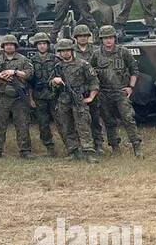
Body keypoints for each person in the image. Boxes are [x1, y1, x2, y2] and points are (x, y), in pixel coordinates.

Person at [95, 25, 144, 157]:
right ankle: (115, 147)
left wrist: (131, 87)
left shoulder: (123, 52)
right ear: (101, 40)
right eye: (105, 38)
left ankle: (136, 146)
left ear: (114, 38)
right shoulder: (96, 54)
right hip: (104, 92)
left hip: (120, 91)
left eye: (110, 37)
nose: (108, 41)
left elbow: (134, 70)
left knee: (128, 118)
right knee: (109, 121)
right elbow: (91, 73)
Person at [49, 37, 99, 162]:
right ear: (59, 52)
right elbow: (49, 83)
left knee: (83, 126)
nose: (65, 53)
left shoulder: (83, 64)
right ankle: (73, 151)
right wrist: (54, 81)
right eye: (63, 51)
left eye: (68, 50)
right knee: (67, 126)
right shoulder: (57, 67)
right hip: (63, 100)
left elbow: (94, 81)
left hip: (79, 98)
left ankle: (88, 152)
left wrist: (91, 97)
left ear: (72, 51)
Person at [0, 35, 35, 158]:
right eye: (7, 44)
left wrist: (14, 72)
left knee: (22, 123)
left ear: (15, 46)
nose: (9, 46)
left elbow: (30, 74)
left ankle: (25, 150)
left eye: (11, 44)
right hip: (2, 96)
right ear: (3, 46)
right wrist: (0, 75)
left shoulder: (23, 60)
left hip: (18, 97)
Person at [71, 24, 107, 151]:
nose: (82, 38)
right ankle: (81, 145)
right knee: (78, 119)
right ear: (76, 37)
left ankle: (98, 143)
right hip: (76, 89)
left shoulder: (96, 50)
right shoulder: (70, 50)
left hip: (93, 88)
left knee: (96, 117)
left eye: (85, 36)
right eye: (80, 36)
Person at [27, 31, 60, 156]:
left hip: (54, 96)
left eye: (44, 43)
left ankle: (71, 147)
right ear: (36, 45)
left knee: (61, 122)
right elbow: (29, 82)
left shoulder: (55, 59)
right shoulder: (31, 61)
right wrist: (30, 99)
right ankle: (50, 147)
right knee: (43, 123)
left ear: (48, 45)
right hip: (39, 96)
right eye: (39, 44)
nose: (42, 46)